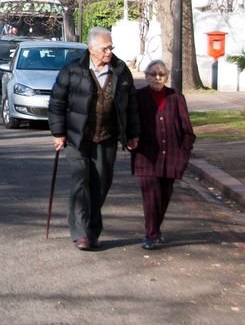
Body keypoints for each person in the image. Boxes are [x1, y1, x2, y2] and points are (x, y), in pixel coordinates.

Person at [47, 27, 140, 250]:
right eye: (104, 48)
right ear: (91, 49)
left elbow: (132, 105)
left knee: (101, 185)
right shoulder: (73, 70)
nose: (109, 52)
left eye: (111, 47)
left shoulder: (120, 70)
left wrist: (132, 134)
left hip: (107, 137)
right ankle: (81, 233)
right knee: (81, 181)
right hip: (77, 138)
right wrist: (58, 133)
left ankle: (92, 231)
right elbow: (57, 102)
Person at [132, 59, 196, 250]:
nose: (157, 78)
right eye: (153, 74)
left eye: (161, 75)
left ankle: (156, 230)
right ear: (146, 76)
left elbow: (187, 130)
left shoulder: (176, 97)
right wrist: (130, 141)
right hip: (146, 156)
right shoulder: (138, 96)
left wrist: (184, 153)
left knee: (165, 195)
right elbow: (130, 124)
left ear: (166, 77)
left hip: (172, 156)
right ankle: (150, 235)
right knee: (151, 196)